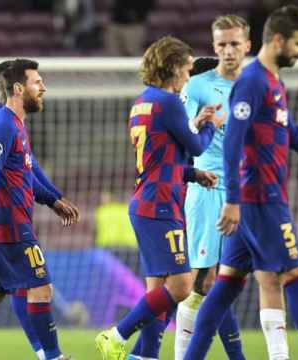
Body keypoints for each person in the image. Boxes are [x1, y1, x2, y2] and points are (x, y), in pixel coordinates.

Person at [183, 6, 298, 360]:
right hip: (260, 200)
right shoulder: (252, 82)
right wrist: (234, 201)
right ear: (279, 40)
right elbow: (233, 142)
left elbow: (292, 133)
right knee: (297, 278)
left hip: (258, 199)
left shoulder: (272, 81)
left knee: (224, 288)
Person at [95, 36, 224, 360]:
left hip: (148, 200)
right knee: (181, 286)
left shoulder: (142, 101)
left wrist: (194, 175)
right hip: (161, 206)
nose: (189, 72)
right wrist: (211, 125)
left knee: (158, 293)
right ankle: (116, 335)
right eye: (187, 67)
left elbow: (164, 162)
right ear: (173, 66)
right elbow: (195, 148)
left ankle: (144, 356)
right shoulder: (168, 102)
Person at [175, 15, 289, 360]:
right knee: (202, 282)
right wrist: (201, 123)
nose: (227, 50)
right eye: (221, 44)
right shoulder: (195, 87)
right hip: (209, 189)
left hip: (253, 192)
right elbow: (181, 141)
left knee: (270, 275)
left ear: (248, 45)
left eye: (234, 44)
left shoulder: (265, 83)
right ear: (214, 47)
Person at [0, 59, 79, 360]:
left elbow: (26, 174)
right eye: (37, 82)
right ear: (16, 87)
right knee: (41, 289)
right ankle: (52, 356)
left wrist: (53, 200)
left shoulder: (16, 124)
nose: (43, 88)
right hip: (7, 222)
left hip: (7, 218)